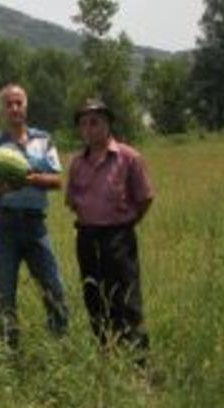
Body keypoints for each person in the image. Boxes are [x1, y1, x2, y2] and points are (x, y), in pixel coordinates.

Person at [0, 84, 69, 349]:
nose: (14, 108)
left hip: (35, 225)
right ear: (2, 110)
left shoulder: (44, 140)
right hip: (5, 225)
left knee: (53, 287)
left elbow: (57, 181)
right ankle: (10, 347)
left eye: (19, 103)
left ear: (26, 106)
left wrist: (30, 177)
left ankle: (60, 341)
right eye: (9, 104)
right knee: (6, 292)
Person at [66, 99, 153, 359]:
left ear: (108, 124)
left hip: (119, 238)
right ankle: (107, 355)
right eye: (84, 124)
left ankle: (139, 363)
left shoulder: (128, 158)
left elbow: (145, 198)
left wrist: (126, 224)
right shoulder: (77, 163)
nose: (89, 129)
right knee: (94, 298)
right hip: (86, 237)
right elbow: (71, 201)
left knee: (126, 300)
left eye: (95, 122)